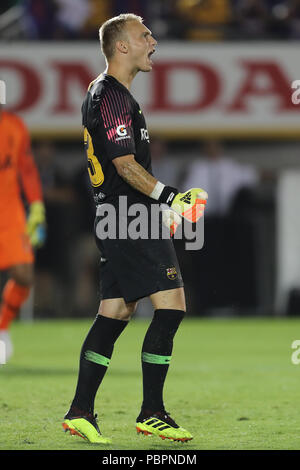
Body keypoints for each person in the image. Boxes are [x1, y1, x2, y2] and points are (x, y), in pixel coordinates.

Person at [62, 13, 207, 444]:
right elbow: (124, 165)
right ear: (121, 46)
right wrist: (170, 198)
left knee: (115, 312)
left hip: (121, 215)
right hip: (128, 218)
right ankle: (153, 413)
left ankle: (80, 412)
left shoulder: (109, 94)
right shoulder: (110, 94)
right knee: (172, 306)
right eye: (145, 35)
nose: (153, 41)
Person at [0, 106, 46, 360]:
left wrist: (36, 204)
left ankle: (2, 328)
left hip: (9, 213)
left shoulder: (14, 126)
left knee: (24, 274)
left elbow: (26, 168)